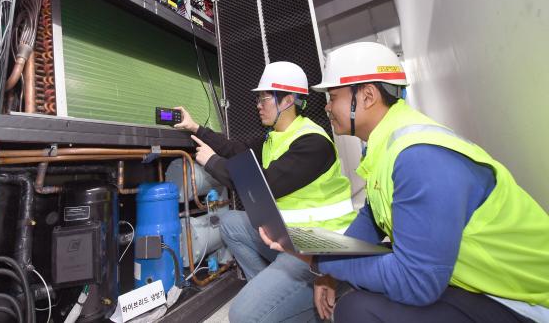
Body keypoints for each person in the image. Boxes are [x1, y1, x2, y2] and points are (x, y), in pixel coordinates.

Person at [260, 42, 549, 323]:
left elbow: (416, 283)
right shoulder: (390, 145)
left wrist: (316, 259)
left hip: (525, 301)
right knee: (358, 297)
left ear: (367, 96)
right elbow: (368, 224)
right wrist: (328, 271)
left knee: (358, 310)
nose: (327, 107)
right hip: (483, 284)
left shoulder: (419, 157)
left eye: (333, 96)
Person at [175, 61, 356, 322]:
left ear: (287, 100)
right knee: (230, 222)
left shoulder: (313, 143)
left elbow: (261, 184)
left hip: (319, 249)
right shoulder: (272, 137)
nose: (258, 104)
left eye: (264, 98)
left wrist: (212, 162)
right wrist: (195, 128)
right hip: (288, 239)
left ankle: (289, 303)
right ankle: (274, 301)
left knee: (241, 315)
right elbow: (234, 149)